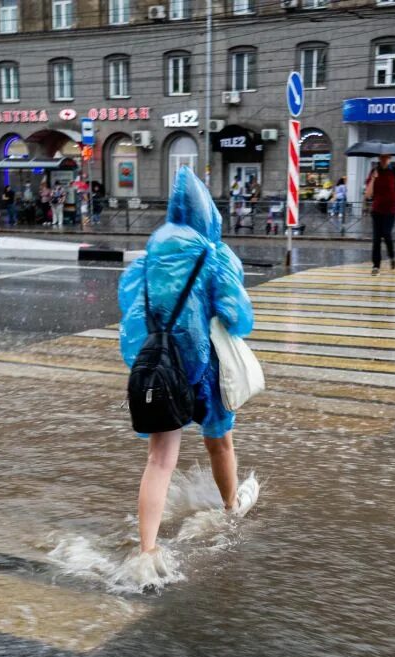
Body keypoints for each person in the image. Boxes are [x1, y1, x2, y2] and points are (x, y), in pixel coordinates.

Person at [117, 167, 260, 587]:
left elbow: (132, 315)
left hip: (162, 370)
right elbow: (238, 316)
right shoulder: (214, 255)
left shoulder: (149, 256)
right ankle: (232, 507)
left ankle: (147, 550)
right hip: (205, 369)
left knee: (159, 460)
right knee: (220, 443)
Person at [363, 153, 395, 275]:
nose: (384, 159)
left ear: (390, 158)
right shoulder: (374, 171)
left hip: (391, 210)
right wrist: (373, 179)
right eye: (382, 157)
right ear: (379, 158)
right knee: (376, 238)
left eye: (387, 157)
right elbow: (368, 195)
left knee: (387, 234)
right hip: (377, 210)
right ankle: (376, 266)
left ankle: (392, 256)